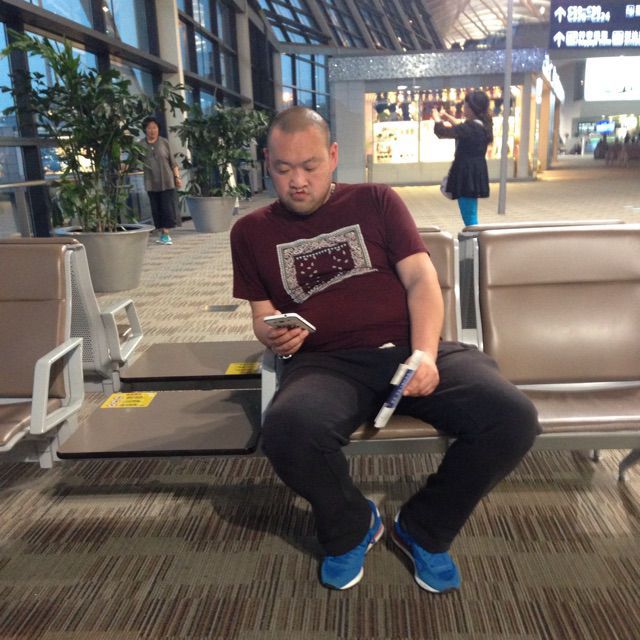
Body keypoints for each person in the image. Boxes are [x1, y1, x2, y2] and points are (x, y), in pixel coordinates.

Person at [230, 106, 539, 593]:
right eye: (283, 169)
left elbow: (421, 280)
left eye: (310, 166)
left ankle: (423, 528)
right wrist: (270, 334)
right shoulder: (250, 232)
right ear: (267, 162)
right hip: (326, 363)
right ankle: (353, 525)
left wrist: (425, 354)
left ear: (333, 156)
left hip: (410, 350)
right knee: (287, 431)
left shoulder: (376, 201)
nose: (297, 182)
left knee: (512, 417)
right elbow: (260, 313)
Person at [432, 90, 493, 227]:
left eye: (465, 105)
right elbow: (462, 128)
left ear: (472, 108)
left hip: (466, 174)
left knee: (469, 216)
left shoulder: (471, 127)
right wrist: (447, 117)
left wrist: (437, 119)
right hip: (475, 171)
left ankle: (475, 238)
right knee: (471, 211)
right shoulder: (483, 125)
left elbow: (443, 132)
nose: (463, 107)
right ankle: (475, 237)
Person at [141, 116, 182, 245]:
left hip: (167, 180)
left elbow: (173, 163)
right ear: (145, 130)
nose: (152, 130)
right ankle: (162, 233)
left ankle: (166, 234)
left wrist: (177, 177)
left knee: (166, 208)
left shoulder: (164, 142)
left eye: (155, 127)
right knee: (156, 209)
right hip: (151, 182)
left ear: (158, 129)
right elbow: (134, 161)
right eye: (149, 128)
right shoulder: (140, 145)